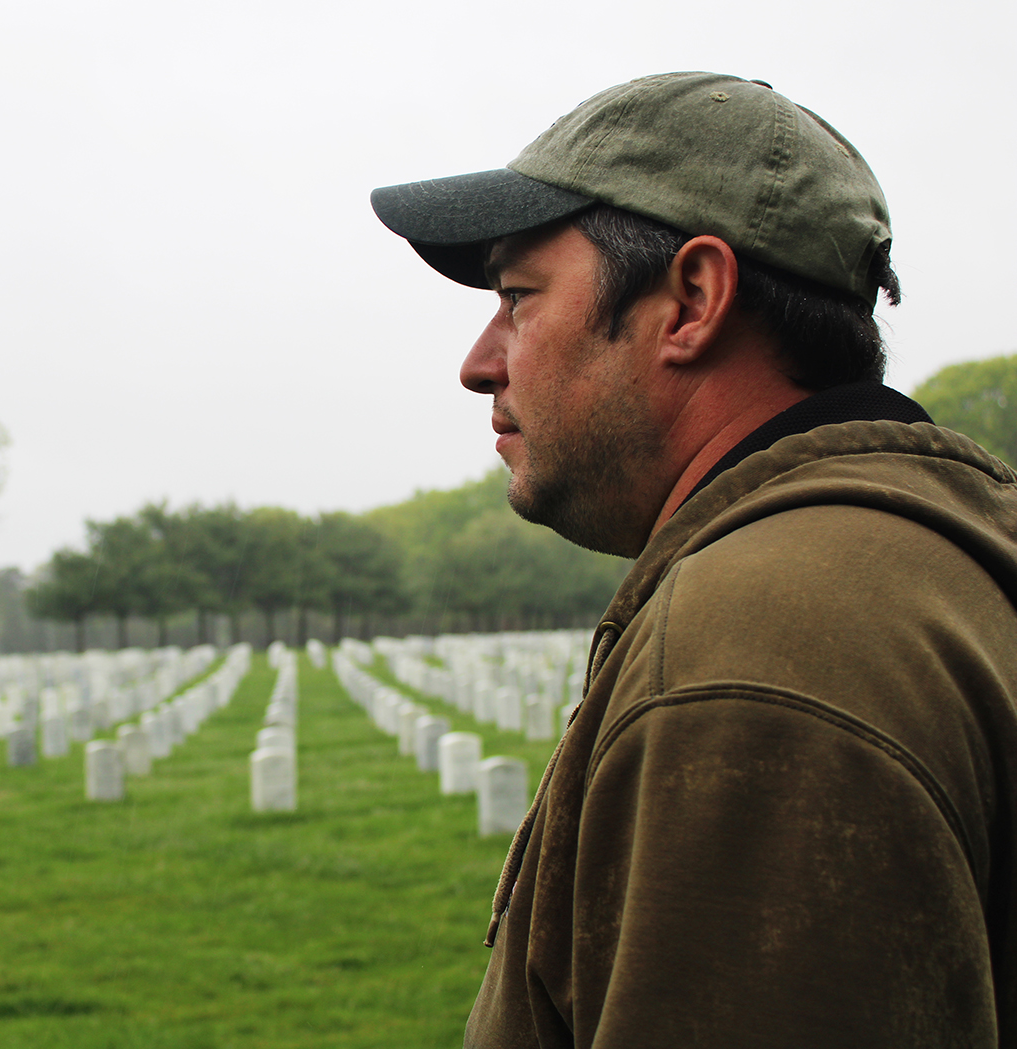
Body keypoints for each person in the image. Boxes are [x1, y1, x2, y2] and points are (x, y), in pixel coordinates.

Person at [371, 71, 1017, 1048]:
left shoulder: (759, 648)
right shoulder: (934, 550)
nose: (480, 360)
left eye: (518, 297)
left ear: (692, 300)